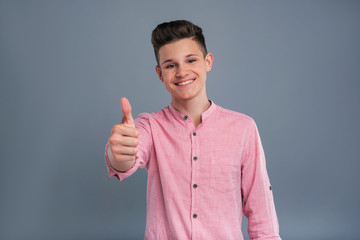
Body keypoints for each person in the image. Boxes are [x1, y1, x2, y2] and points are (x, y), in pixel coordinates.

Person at [105, 20, 281, 240]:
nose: (182, 72)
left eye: (190, 60)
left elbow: (262, 217)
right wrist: (119, 152)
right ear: (160, 74)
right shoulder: (149, 125)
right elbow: (125, 160)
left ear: (208, 62)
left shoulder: (244, 128)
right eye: (170, 65)